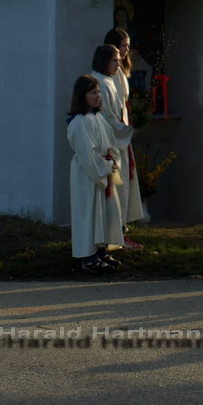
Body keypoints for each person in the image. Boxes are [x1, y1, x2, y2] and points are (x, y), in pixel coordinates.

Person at [66, 74, 124, 275]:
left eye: (99, 92)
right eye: (93, 92)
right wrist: (106, 167)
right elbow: (87, 154)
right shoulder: (80, 122)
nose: (98, 96)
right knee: (89, 214)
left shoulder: (99, 118)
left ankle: (100, 252)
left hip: (103, 173)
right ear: (82, 96)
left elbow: (112, 145)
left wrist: (114, 162)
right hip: (88, 176)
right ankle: (87, 258)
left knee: (104, 214)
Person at [91, 44, 144, 242]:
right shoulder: (100, 83)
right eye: (115, 60)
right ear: (103, 60)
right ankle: (111, 237)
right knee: (112, 193)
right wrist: (128, 128)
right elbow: (107, 118)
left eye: (119, 60)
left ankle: (118, 234)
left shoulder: (109, 80)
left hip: (117, 142)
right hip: (108, 145)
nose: (119, 63)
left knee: (120, 192)